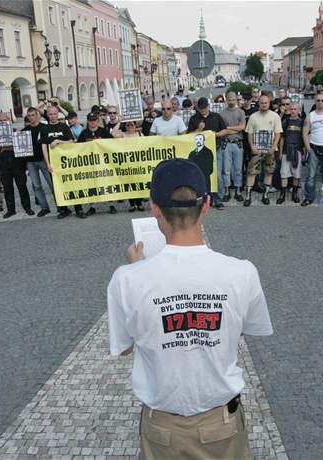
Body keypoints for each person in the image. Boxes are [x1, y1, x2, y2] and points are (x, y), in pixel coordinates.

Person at [107, 158, 273, 460]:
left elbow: (124, 348)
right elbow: (252, 327)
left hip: (162, 427)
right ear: (206, 205)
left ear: (154, 207)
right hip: (221, 423)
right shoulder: (242, 272)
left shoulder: (127, 279)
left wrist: (139, 270)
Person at [188, 97, 229, 208]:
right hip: (200, 153)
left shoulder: (216, 116)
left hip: (216, 148)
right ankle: (206, 199)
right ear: (198, 108)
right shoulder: (194, 119)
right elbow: (188, 136)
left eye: (205, 108)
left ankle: (218, 199)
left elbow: (226, 130)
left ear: (208, 106)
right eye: (201, 108)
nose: (203, 110)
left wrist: (215, 134)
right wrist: (199, 130)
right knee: (202, 175)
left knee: (218, 176)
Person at [43, 105, 82, 218]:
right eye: (50, 114)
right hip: (54, 164)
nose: (53, 116)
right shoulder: (45, 128)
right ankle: (63, 209)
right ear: (47, 115)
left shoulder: (64, 126)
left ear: (58, 114)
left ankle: (78, 209)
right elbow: (44, 147)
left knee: (72, 185)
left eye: (55, 114)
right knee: (57, 187)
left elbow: (71, 141)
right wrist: (47, 163)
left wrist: (59, 141)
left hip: (67, 162)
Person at [0, 112, 33, 219]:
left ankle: (27, 207)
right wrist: (1, 142)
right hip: (4, 161)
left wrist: (14, 140)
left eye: (4, 120)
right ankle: (11, 210)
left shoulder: (16, 131)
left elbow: (22, 146)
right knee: (7, 187)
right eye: (0, 121)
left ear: (9, 121)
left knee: (22, 185)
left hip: (17, 160)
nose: (2, 122)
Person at [20, 107, 54, 218]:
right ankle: (44, 208)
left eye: (33, 115)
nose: (31, 117)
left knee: (52, 184)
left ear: (37, 115)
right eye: (29, 116)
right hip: (30, 162)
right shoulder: (24, 131)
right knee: (36, 186)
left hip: (44, 160)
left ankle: (61, 206)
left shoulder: (45, 128)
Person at [78, 112, 115, 215]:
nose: (92, 122)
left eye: (94, 120)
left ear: (98, 121)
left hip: (103, 163)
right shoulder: (84, 133)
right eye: (90, 120)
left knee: (107, 184)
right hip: (90, 164)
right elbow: (77, 148)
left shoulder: (103, 131)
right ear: (88, 121)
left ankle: (111, 205)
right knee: (91, 185)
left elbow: (113, 143)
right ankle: (92, 207)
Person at [219, 91, 247, 203]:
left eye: (233, 100)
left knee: (238, 169)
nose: (231, 102)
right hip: (226, 144)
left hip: (238, 144)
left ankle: (238, 191)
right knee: (226, 170)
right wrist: (236, 128)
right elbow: (222, 129)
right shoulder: (222, 113)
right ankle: (227, 191)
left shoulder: (241, 112)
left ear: (236, 99)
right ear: (226, 100)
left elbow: (242, 127)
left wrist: (229, 128)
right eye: (229, 100)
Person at [278, 101, 304, 204]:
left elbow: (305, 137)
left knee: (296, 174)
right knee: (284, 173)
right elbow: (282, 138)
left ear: (299, 110)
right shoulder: (286, 121)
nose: (293, 111)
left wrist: (305, 152)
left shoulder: (302, 122)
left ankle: (295, 194)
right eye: (291, 109)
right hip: (286, 150)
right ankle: (282, 194)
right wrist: (280, 152)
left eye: (295, 109)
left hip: (297, 150)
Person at [121, 120, 145, 212]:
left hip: (138, 163)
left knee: (139, 183)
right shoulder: (122, 135)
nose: (130, 126)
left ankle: (139, 203)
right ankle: (132, 204)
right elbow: (113, 133)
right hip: (127, 164)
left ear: (135, 125)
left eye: (132, 124)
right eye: (127, 125)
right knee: (129, 184)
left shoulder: (140, 135)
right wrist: (120, 120)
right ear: (125, 126)